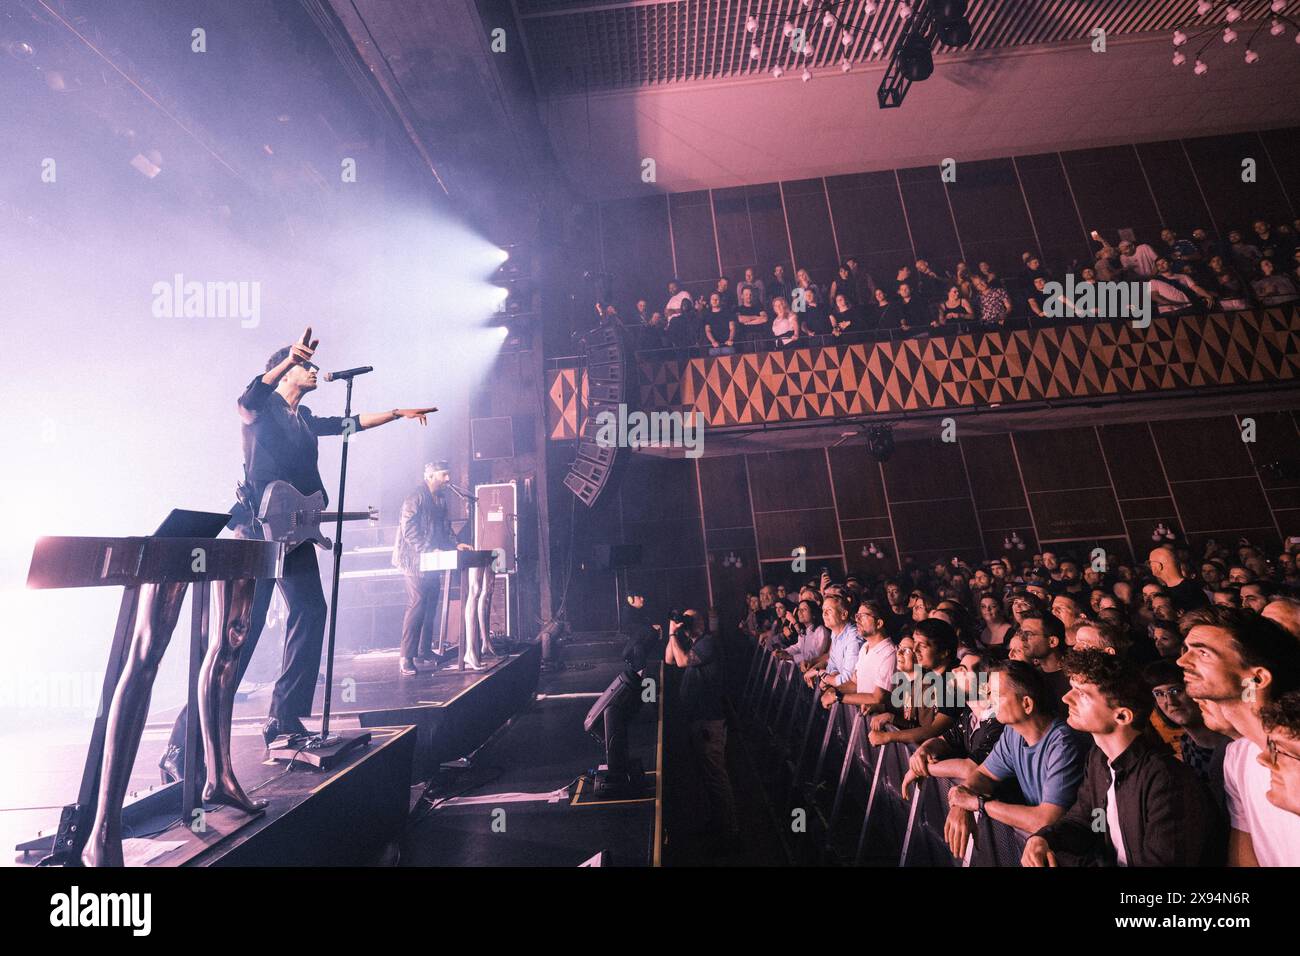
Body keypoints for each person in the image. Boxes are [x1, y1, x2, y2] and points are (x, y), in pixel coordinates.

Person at [158, 328, 437, 770]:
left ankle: (283, 720)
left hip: (297, 533)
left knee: (312, 611)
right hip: (257, 532)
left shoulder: (303, 418)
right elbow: (247, 398)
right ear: (287, 371)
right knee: (237, 639)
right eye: (306, 367)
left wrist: (399, 413)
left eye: (307, 365)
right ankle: (180, 744)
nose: (313, 371)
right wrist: (287, 360)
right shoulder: (261, 411)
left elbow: (350, 423)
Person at [1022, 650, 1222, 866]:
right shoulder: (1099, 761)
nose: (1066, 698)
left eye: (1081, 693)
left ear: (1122, 716)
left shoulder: (1167, 779)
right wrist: (1044, 838)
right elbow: (1089, 822)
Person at [1178, 606, 1300, 865]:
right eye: (1186, 650)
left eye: (1202, 653)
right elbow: (1245, 853)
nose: (1182, 661)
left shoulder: (1296, 749)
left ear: (1256, 678)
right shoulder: (1236, 756)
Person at [943, 660, 1087, 857]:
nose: (988, 698)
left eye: (995, 694)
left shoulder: (1063, 744)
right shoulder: (1013, 733)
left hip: (1071, 854)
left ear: (1026, 704)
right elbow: (983, 775)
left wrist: (979, 804)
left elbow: (1046, 819)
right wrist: (961, 802)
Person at [664, 609, 739, 847]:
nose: (688, 623)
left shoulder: (708, 643)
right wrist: (672, 633)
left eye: (692, 619)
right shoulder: (693, 642)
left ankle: (730, 833)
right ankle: (717, 824)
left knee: (716, 776)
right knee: (707, 776)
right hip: (698, 718)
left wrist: (676, 635)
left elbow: (683, 661)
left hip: (709, 720)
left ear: (702, 623)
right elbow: (669, 659)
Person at [393, 460, 475, 676]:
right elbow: (408, 529)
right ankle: (406, 657)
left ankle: (424, 650)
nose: (448, 479)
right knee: (418, 604)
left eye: (448, 474)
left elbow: (445, 527)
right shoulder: (415, 497)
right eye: (443, 475)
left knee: (430, 605)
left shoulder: (440, 499)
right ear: (430, 476)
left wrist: (456, 544)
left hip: (431, 560)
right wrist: (428, 550)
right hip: (413, 560)